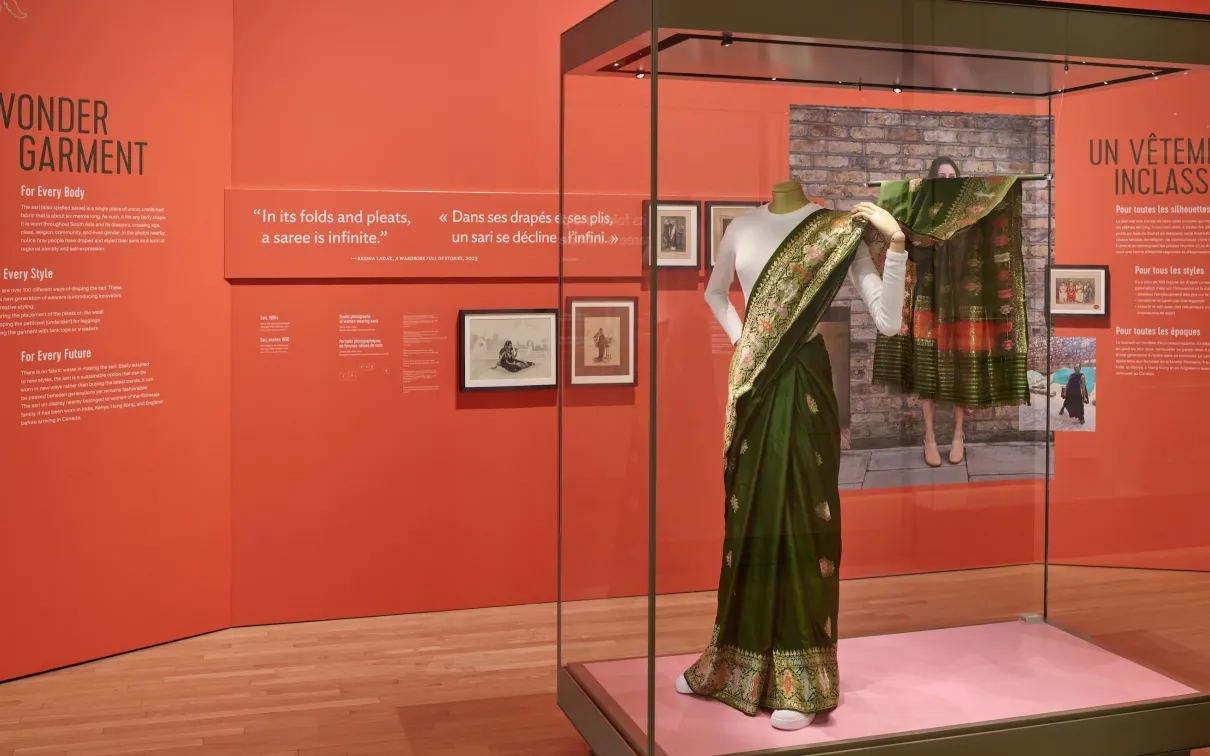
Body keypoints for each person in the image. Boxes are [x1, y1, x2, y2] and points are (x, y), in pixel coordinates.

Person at [684, 180, 909, 731]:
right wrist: (746, 339)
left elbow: (889, 321)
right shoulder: (740, 228)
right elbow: (715, 293)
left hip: (805, 382)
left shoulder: (837, 231)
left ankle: (801, 678)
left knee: (804, 519)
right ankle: (732, 661)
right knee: (750, 516)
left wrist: (897, 243)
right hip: (755, 384)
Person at [872, 156, 1031, 467]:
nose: (946, 180)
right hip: (927, 296)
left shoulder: (974, 211)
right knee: (926, 368)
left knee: (962, 367)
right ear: (931, 181)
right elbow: (902, 242)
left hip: (962, 300)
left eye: (952, 176)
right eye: (940, 177)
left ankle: (959, 436)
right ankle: (929, 436)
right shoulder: (920, 207)